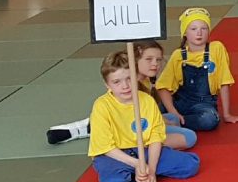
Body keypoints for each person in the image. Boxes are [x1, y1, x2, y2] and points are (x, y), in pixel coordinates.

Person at [47, 40, 198, 149]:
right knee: (189, 136)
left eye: (158, 60)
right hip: (129, 131)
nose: (155, 64)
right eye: (149, 59)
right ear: (136, 59)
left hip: (138, 125)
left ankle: (91, 127)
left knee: (171, 119)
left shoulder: (146, 81)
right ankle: (101, 131)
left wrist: (162, 120)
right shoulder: (132, 85)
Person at [89, 52, 200, 182]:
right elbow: (105, 147)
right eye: (117, 82)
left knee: (190, 165)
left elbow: (155, 138)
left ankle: (142, 175)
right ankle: (134, 175)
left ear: (136, 77)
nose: (125, 86)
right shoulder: (101, 106)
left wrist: (151, 170)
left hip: (145, 150)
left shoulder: (146, 100)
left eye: (129, 79)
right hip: (115, 156)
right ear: (107, 84)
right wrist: (137, 165)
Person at [156, 8, 238, 132]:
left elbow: (224, 82)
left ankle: (169, 123)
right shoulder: (178, 55)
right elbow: (163, 87)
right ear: (185, 33)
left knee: (210, 120)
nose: (199, 33)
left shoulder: (216, 49)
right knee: (153, 110)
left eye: (203, 28)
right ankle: (171, 120)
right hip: (180, 101)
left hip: (204, 104)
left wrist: (227, 114)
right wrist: (173, 111)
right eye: (193, 29)